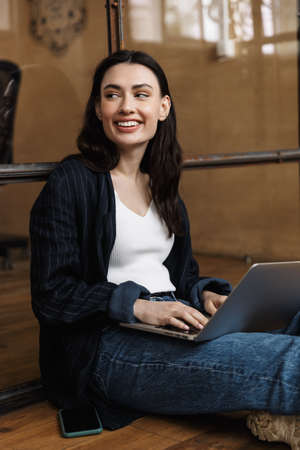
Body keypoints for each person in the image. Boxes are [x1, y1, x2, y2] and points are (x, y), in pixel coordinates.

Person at [30, 50, 300, 449]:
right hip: (108, 346)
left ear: (162, 107)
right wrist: (141, 307)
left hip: (177, 323)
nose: (127, 107)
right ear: (98, 108)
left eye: (141, 94)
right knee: (291, 362)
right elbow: (51, 296)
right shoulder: (72, 182)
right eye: (112, 94)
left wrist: (207, 294)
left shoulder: (161, 185)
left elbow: (181, 275)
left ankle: (276, 412)